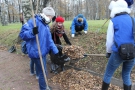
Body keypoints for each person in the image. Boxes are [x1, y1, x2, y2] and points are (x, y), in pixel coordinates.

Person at [19, 6, 60, 90]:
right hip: (36, 52)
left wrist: (55, 51)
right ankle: (43, 88)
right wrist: (32, 32)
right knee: (43, 72)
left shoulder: (46, 25)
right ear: (46, 15)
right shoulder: (33, 22)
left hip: (43, 52)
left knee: (43, 71)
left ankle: (45, 86)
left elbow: (49, 40)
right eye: (50, 17)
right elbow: (22, 34)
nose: (51, 19)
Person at [101, 0, 135, 90]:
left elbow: (109, 41)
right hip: (132, 53)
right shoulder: (133, 19)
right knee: (126, 75)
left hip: (118, 53)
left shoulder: (114, 21)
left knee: (108, 74)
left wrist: (108, 52)